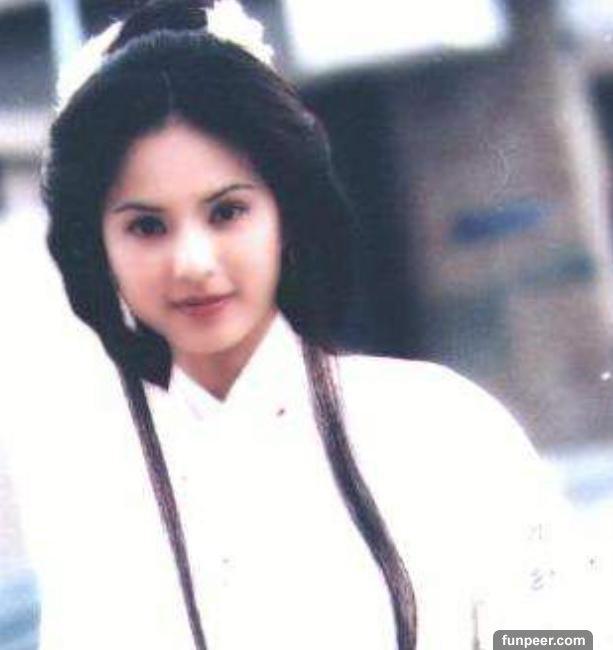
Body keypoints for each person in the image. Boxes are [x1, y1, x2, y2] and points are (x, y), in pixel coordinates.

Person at [13, 0, 584, 648]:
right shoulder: (87, 488)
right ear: (97, 247)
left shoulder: (441, 425)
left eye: (227, 212)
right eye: (147, 226)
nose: (193, 262)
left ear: (286, 213)